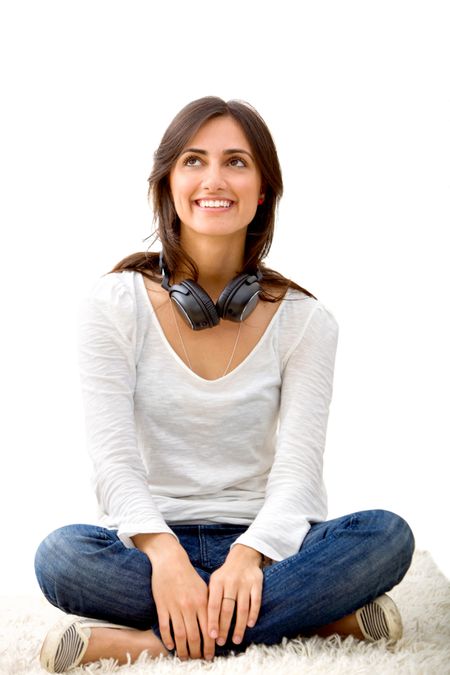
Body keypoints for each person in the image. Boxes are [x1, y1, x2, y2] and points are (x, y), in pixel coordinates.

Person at [34, 96, 415, 673]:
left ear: (262, 191)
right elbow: (114, 464)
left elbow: (298, 474)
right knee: (61, 557)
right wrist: (166, 557)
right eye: (194, 161)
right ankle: (309, 619)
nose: (214, 179)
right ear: (168, 185)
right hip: (149, 547)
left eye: (236, 162)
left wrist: (249, 556)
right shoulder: (114, 303)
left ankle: (150, 643)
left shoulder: (305, 320)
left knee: (386, 535)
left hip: (269, 548)